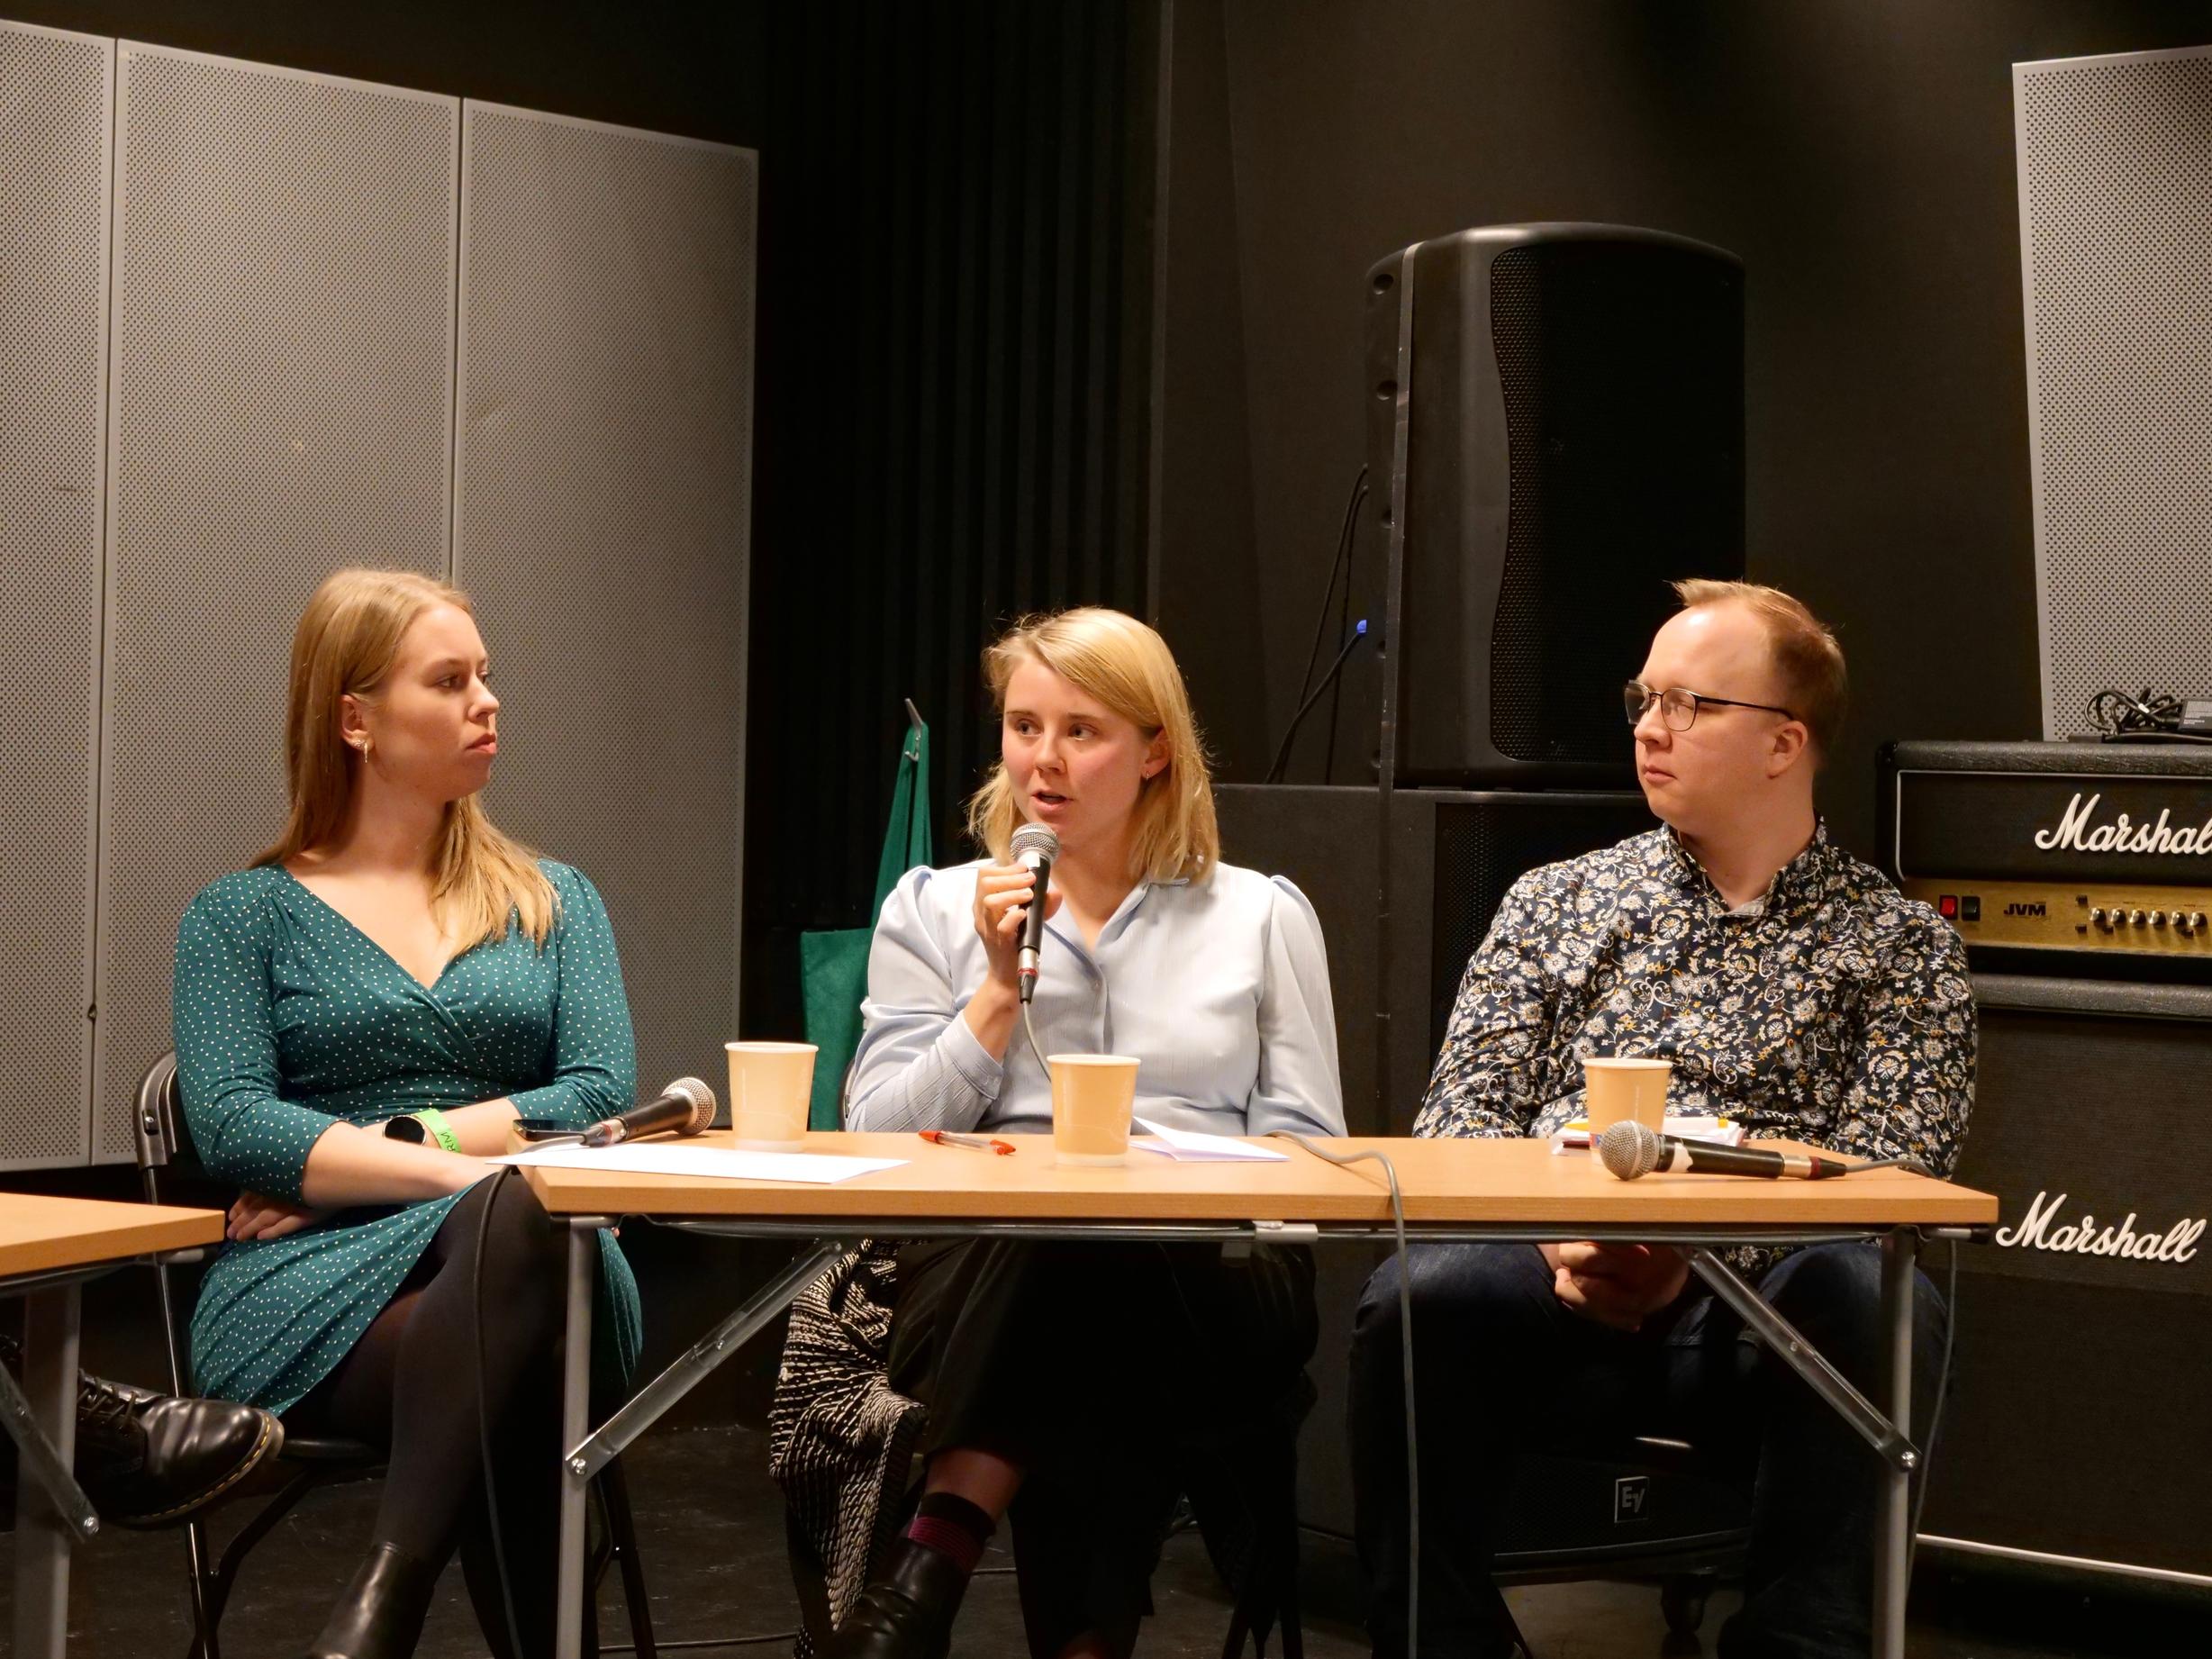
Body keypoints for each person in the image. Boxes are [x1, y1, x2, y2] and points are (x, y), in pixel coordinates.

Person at [1349, 580, 1975, 1659]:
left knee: (1874, 1292)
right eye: (1643, 699)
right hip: (1550, 1279)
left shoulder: (1898, 943)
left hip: (1757, 1317)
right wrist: (1563, 1237)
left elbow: (1895, 1178)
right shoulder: (1555, 901)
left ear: (1781, 744)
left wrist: (1690, 1257)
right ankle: (1440, 1643)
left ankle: (1798, 1648)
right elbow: (1459, 1119)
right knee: (1421, 1292)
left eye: (1687, 704)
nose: (1647, 727)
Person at [826, 607, 1344, 1659]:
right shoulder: (932, 911)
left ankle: (929, 1566)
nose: (1043, 761)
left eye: (1080, 731)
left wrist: (1169, 1188)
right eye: (1023, 727)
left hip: (1218, 1274)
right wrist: (993, 994)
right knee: (1072, 1255)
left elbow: (1307, 1151)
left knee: (1097, 1247)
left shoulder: (1257, 915)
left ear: (1153, 751)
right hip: (981, 1274)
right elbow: (875, 1139)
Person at [171, 567, 642, 1659]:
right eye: (449, 681)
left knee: (522, 1240)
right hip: (309, 1285)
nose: (488, 701)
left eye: (485, 675)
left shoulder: (554, 901)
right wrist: (473, 1174)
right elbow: (234, 1125)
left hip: (527, 1254)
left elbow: (594, 1093)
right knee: (524, 1313)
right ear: (355, 720)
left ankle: (381, 1605)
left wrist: (394, 1145)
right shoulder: (238, 917)